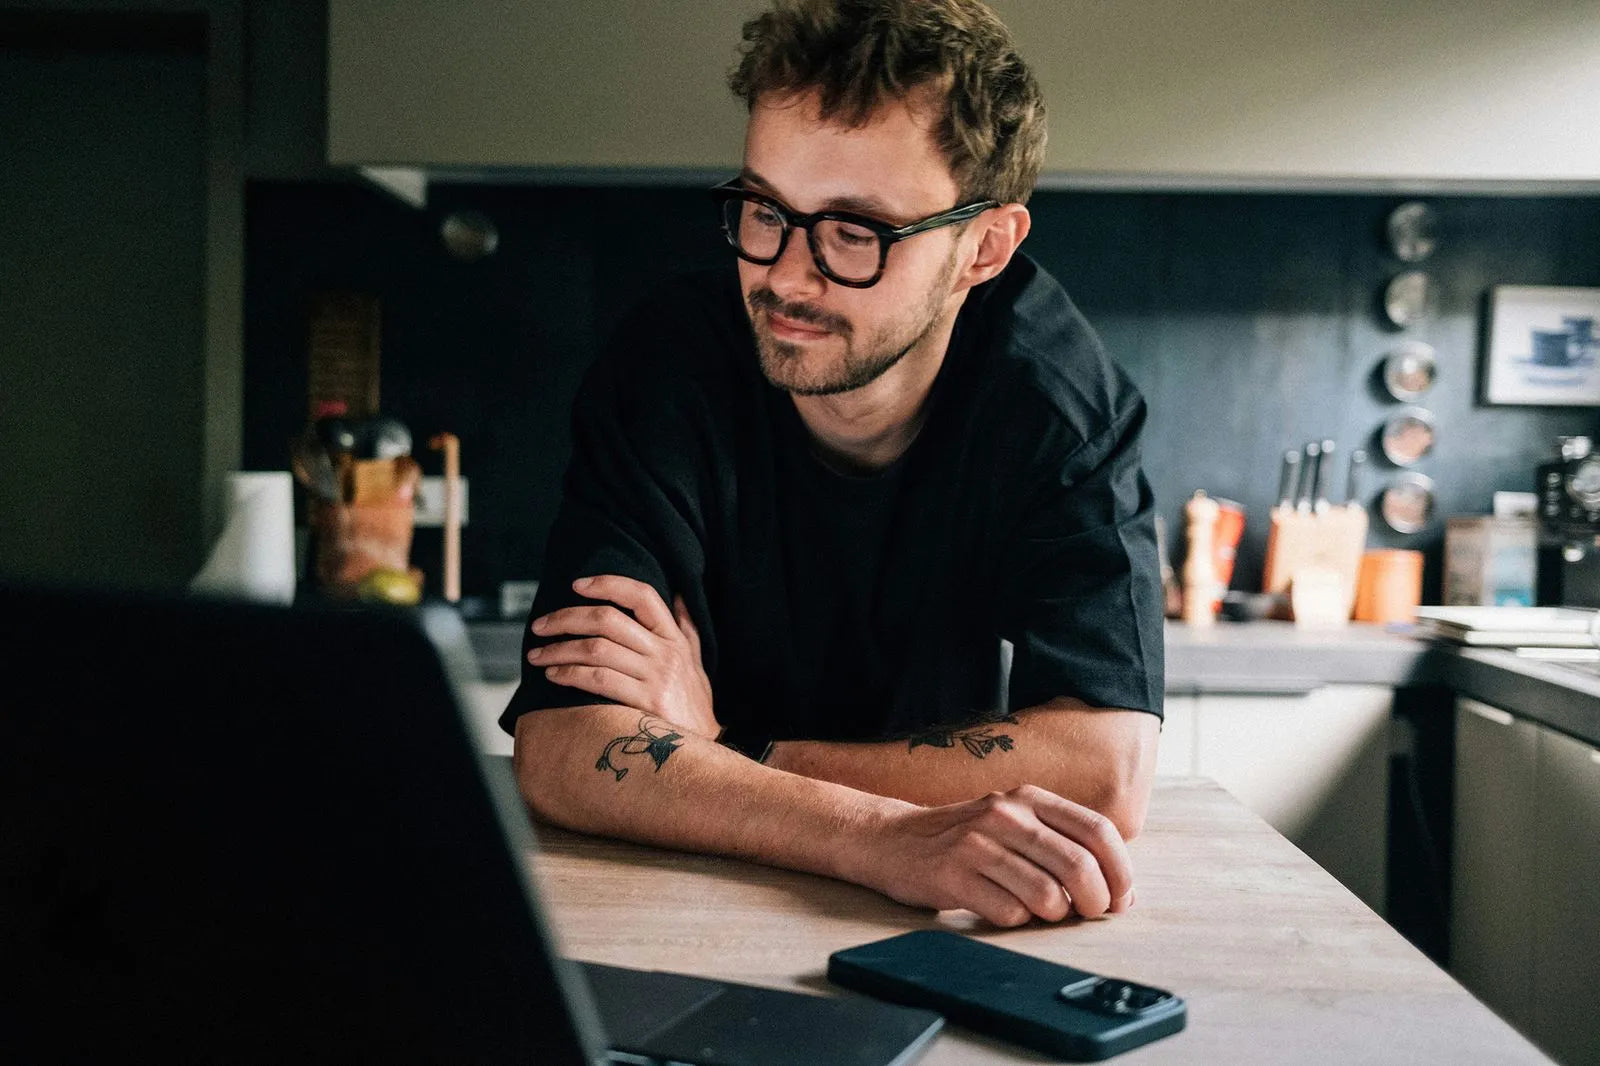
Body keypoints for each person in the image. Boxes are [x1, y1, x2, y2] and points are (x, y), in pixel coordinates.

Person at [500, 0, 1163, 929]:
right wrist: (874, 836)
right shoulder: (671, 364)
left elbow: (1106, 768)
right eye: (766, 210)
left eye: (857, 231)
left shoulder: (1059, 404)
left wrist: (731, 749)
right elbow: (566, 744)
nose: (786, 275)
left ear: (984, 247)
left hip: (936, 921)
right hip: (676, 897)